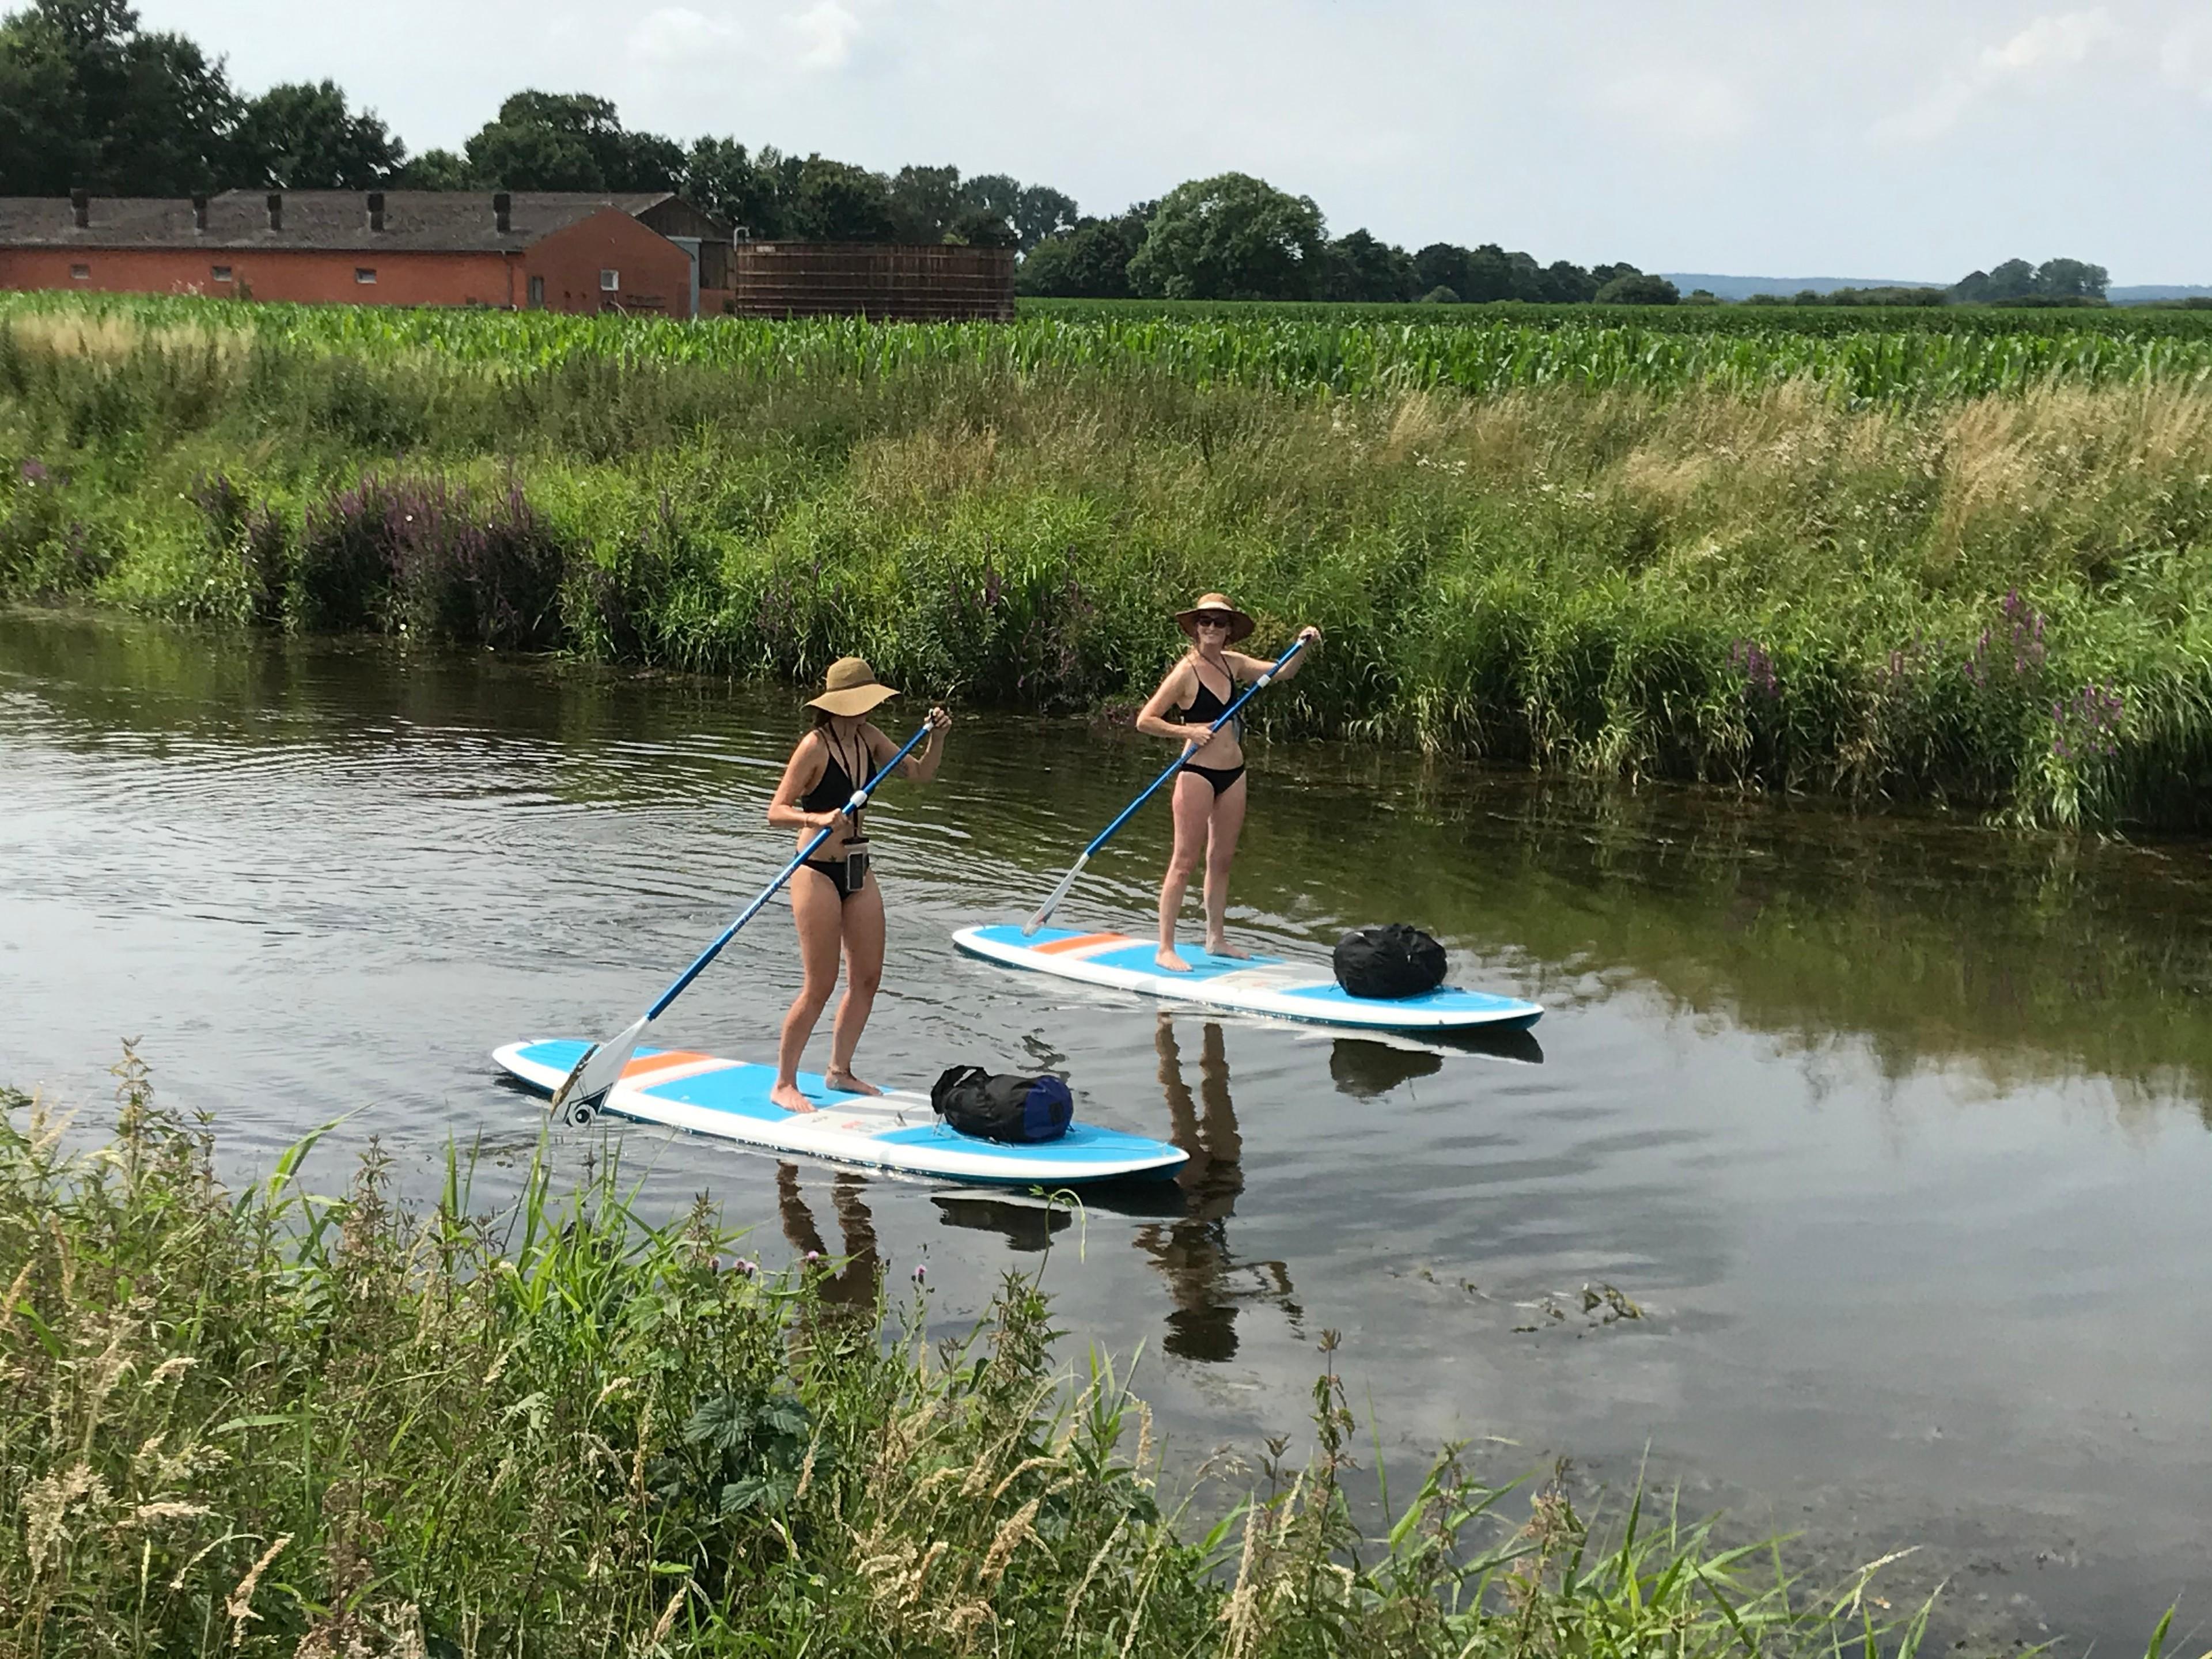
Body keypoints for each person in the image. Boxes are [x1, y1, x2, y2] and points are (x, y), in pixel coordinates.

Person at [766, 657, 949, 1112]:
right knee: (820, 984)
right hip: (815, 870)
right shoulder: (814, 746)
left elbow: (921, 775)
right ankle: (784, 1082)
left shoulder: (868, 738)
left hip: (857, 868)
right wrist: (818, 817)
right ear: (837, 705)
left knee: (867, 978)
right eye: (859, 701)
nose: (868, 709)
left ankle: (839, 1071)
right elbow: (776, 811)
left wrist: (939, 737)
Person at [1134, 594, 1320, 971]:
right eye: (1206, 621)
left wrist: (1302, 645)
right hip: (1197, 773)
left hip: (1234, 773)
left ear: (1229, 630)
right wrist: (1187, 730)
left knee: (1221, 860)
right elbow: (1145, 720)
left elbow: (1284, 672)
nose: (1212, 628)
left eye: (1220, 623)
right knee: (1184, 861)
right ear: (1196, 627)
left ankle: (1215, 939)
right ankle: (1165, 948)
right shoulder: (1186, 671)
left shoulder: (1234, 664)